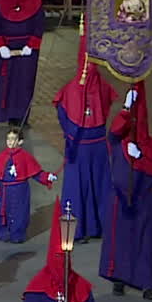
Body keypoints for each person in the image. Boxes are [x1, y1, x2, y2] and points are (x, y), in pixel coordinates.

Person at [99, 82, 152, 301]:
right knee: (120, 240)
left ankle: (147, 284)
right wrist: (126, 108)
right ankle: (119, 278)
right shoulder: (118, 142)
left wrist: (141, 157)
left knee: (145, 242)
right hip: (120, 198)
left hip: (143, 199)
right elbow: (113, 131)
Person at [54, 27, 114, 244]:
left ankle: (96, 227)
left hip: (92, 145)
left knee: (95, 186)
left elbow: (62, 111)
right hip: (81, 145)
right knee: (77, 189)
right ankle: (77, 231)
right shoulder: (75, 88)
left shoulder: (96, 87)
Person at [0, 128, 56, 244]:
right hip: (6, 190)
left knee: (20, 213)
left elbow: (36, 173)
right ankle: (2, 233)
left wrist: (47, 177)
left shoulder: (25, 156)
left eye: (13, 139)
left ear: (20, 141)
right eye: (8, 139)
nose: (10, 141)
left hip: (20, 190)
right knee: (3, 213)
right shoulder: (3, 156)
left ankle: (17, 235)